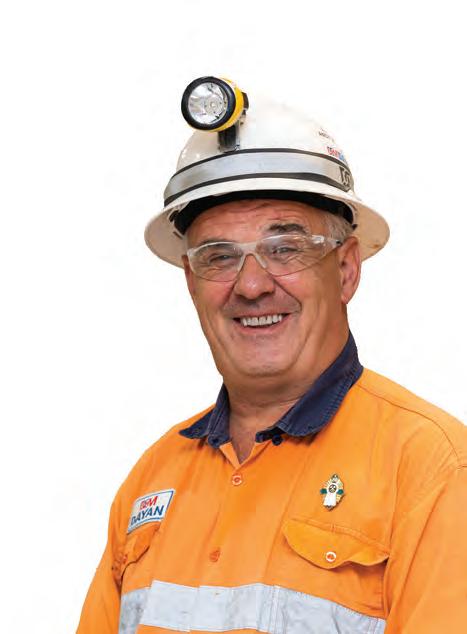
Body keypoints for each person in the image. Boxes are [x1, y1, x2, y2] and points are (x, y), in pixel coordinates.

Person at [77, 77, 467, 634]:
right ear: (191, 281)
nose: (252, 285)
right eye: (219, 256)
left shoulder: (432, 470)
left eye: (285, 248)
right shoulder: (152, 479)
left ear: (346, 269)